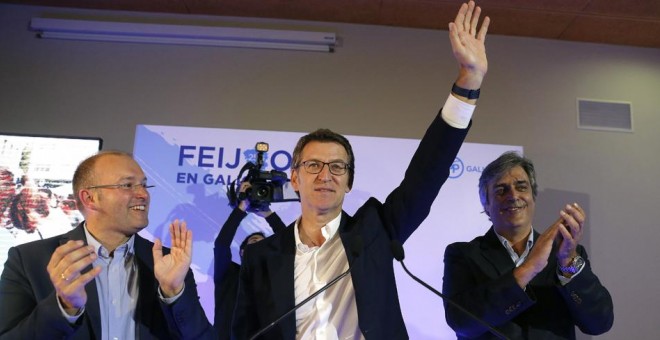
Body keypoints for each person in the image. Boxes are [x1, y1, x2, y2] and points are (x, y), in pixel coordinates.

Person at [232, 2, 490, 339]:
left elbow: (425, 176)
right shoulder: (261, 256)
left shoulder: (374, 233)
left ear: (349, 181)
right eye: (313, 165)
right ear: (294, 178)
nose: (326, 175)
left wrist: (468, 81)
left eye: (337, 166)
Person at [0, 150, 215, 339]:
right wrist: (64, 307)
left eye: (143, 184)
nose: (143, 194)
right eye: (128, 185)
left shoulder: (168, 263)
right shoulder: (29, 260)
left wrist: (173, 292)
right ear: (90, 198)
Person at [442, 151, 614, 339]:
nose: (513, 195)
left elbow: (599, 323)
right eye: (501, 190)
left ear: (533, 197)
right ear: (486, 204)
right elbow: (461, 322)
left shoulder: (567, 253)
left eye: (521, 187)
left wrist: (568, 262)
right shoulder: (463, 254)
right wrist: (529, 268)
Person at [214, 181, 287, 340]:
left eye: (263, 243)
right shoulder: (228, 273)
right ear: (242, 252)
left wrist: (268, 213)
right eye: (254, 241)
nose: (259, 245)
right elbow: (221, 244)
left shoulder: (275, 278)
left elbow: (289, 246)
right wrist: (241, 208)